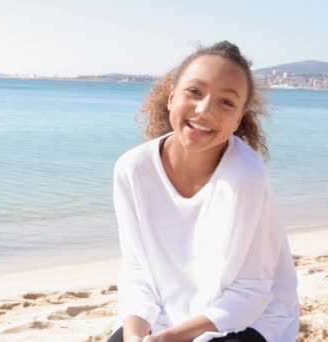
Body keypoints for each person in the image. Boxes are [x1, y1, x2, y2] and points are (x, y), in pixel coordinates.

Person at [108, 41, 300, 342]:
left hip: (248, 318)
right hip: (164, 316)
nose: (204, 109)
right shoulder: (132, 169)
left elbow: (252, 291)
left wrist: (170, 338)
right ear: (171, 97)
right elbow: (136, 271)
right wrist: (135, 335)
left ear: (238, 119)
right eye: (194, 92)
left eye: (226, 102)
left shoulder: (246, 176)